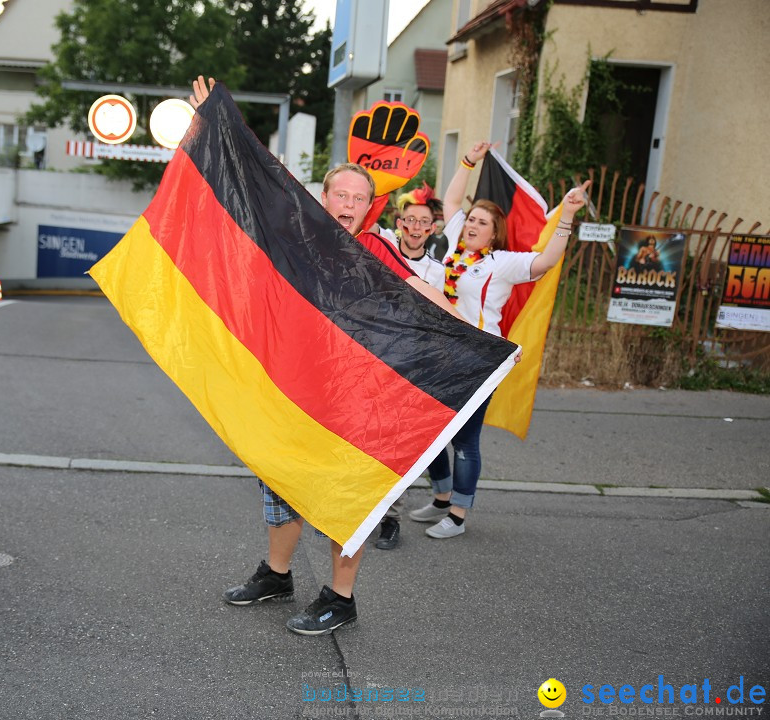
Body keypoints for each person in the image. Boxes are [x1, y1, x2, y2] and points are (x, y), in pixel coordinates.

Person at [189, 76, 462, 635]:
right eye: (342, 195)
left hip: (355, 398)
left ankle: (341, 597)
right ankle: (277, 574)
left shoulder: (378, 248)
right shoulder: (297, 235)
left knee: (348, 494)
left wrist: (476, 333)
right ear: (323, 198)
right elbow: (249, 187)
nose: (351, 204)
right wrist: (213, 126)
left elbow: (425, 293)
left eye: (361, 199)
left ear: (369, 208)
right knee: (282, 481)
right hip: (294, 389)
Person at [405, 141, 589, 539]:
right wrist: (468, 161)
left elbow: (546, 260)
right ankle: (440, 497)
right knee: (429, 429)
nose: (471, 224)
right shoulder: (453, 241)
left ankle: (457, 515)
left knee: (465, 440)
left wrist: (567, 216)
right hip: (437, 351)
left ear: (495, 232)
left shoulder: (502, 263)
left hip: (478, 357)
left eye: (481, 223)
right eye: (470, 218)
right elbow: (451, 197)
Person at [373, 188, 448, 550]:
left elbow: (438, 318)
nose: (416, 227)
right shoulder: (381, 251)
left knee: (399, 445)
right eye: (410, 220)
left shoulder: (437, 271)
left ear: (432, 229)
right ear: (399, 224)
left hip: (413, 366)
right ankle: (360, 510)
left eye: (424, 222)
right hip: (374, 359)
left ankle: (391, 519)